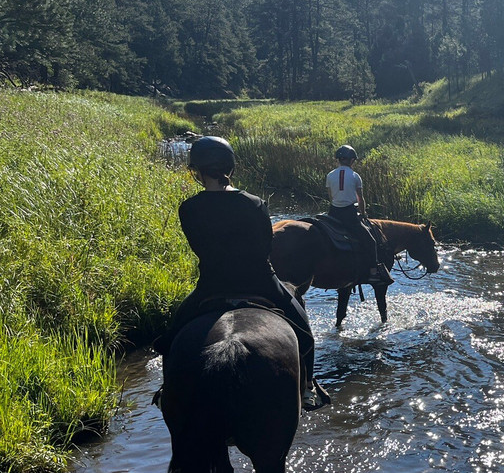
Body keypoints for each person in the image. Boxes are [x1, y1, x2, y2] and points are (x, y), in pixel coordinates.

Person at [155, 136, 329, 411]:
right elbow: (265, 247)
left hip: (211, 285)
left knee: (170, 339)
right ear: (230, 167)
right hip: (261, 282)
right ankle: (307, 388)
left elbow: (198, 247)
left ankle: (168, 390)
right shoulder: (254, 203)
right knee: (303, 329)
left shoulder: (188, 208)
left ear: (197, 171)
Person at [325, 144, 394, 285]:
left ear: (338, 159)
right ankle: (374, 272)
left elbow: (331, 197)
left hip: (333, 213)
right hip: (348, 214)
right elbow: (360, 198)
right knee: (370, 241)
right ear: (352, 160)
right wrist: (363, 214)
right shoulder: (355, 176)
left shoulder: (330, 175)